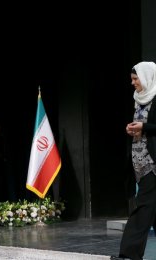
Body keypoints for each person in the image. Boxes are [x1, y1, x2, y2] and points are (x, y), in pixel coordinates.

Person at [112, 61, 156, 260]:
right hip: (138, 161)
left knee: (142, 207)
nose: (133, 83)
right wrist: (132, 129)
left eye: (136, 78)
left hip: (152, 164)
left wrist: (144, 127)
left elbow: (150, 127)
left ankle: (128, 255)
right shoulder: (138, 99)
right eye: (132, 79)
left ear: (147, 77)